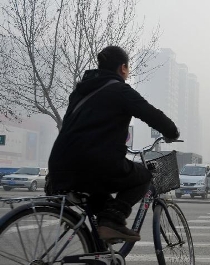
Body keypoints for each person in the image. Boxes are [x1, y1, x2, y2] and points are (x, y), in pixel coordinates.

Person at [48, 46, 179, 243]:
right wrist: (172, 132)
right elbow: (151, 114)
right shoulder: (120, 90)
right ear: (123, 68)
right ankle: (113, 221)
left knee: (102, 204)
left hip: (59, 169)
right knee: (143, 176)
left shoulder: (79, 92)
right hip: (95, 165)